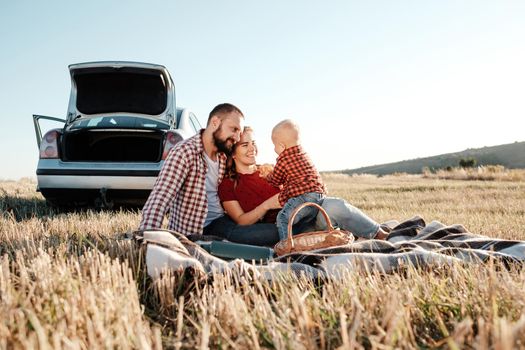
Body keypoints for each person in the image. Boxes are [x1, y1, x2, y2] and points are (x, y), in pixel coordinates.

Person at [218, 127, 389, 243]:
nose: (252, 148)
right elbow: (241, 221)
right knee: (326, 213)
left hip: (308, 214)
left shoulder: (269, 169)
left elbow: (299, 185)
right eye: (245, 145)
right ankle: (291, 249)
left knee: (336, 204)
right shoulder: (228, 184)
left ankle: (381, 234)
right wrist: (267, 205)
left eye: (253, 143)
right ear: (232, 153)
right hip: (288, 228)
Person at [139, 103, 246, 235]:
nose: (237, 138)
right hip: (195, 230)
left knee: (265, 230)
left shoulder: (224, 156)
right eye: (234, 129)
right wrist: (147, 238)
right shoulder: (184, 152)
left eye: (239, 133)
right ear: (215, 122)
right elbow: (159, 200)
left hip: (222, 221)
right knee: (264, 235)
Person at [266, 119, 326, 240]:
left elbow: (276, 181)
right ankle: (304, 240)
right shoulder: (303, 153)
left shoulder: (284, 159)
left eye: (274, 146)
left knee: (283, 218)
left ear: (282, 146)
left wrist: (267, 175)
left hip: (304, 197)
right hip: (320, 196)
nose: (274, 149)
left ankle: (286, 247)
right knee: (303, 221)